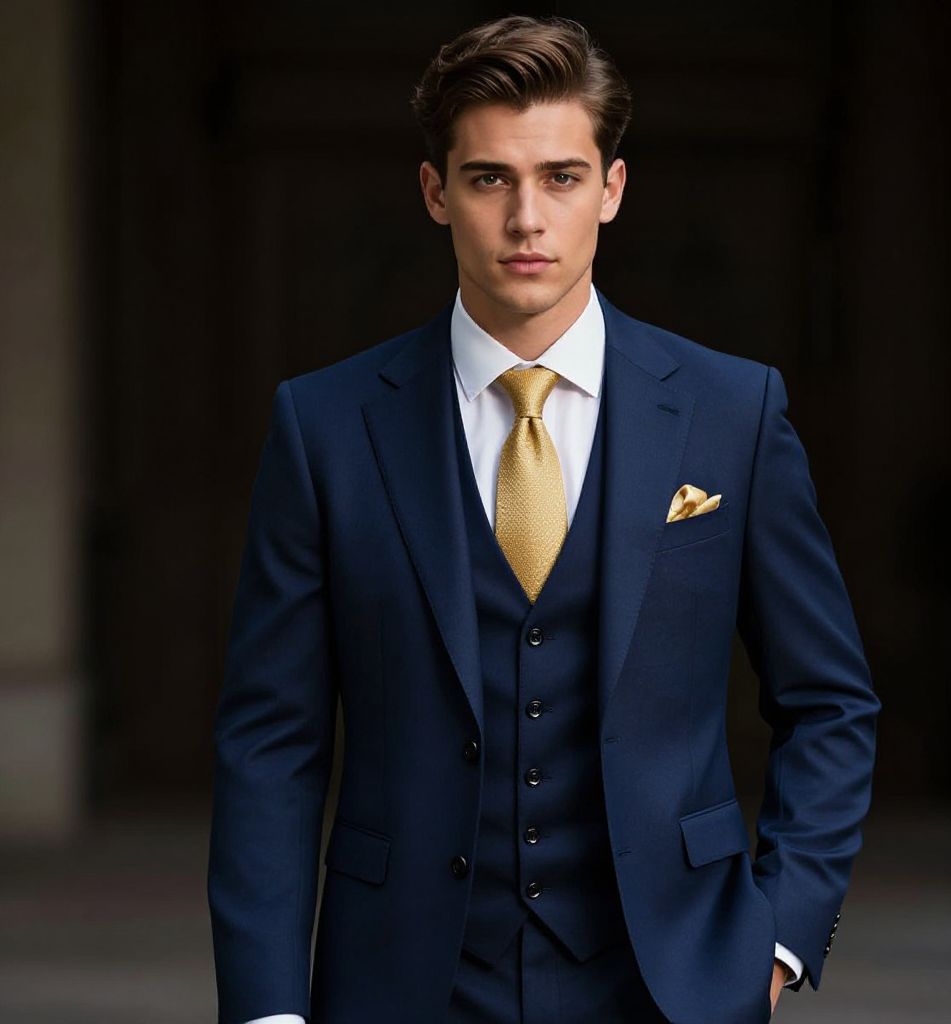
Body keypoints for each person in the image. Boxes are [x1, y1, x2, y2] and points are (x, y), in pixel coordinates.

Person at [207, 14, 881, 1024]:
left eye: (561, 177)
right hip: (402, 983)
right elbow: (271, 742)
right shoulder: (326, 426)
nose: (527, 218)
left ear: (611, 188)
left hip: (672, 981)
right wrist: (267, 1009)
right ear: (436, 192)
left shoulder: (732, 412)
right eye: (490, 178)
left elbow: (829, 700)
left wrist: (775, 940)